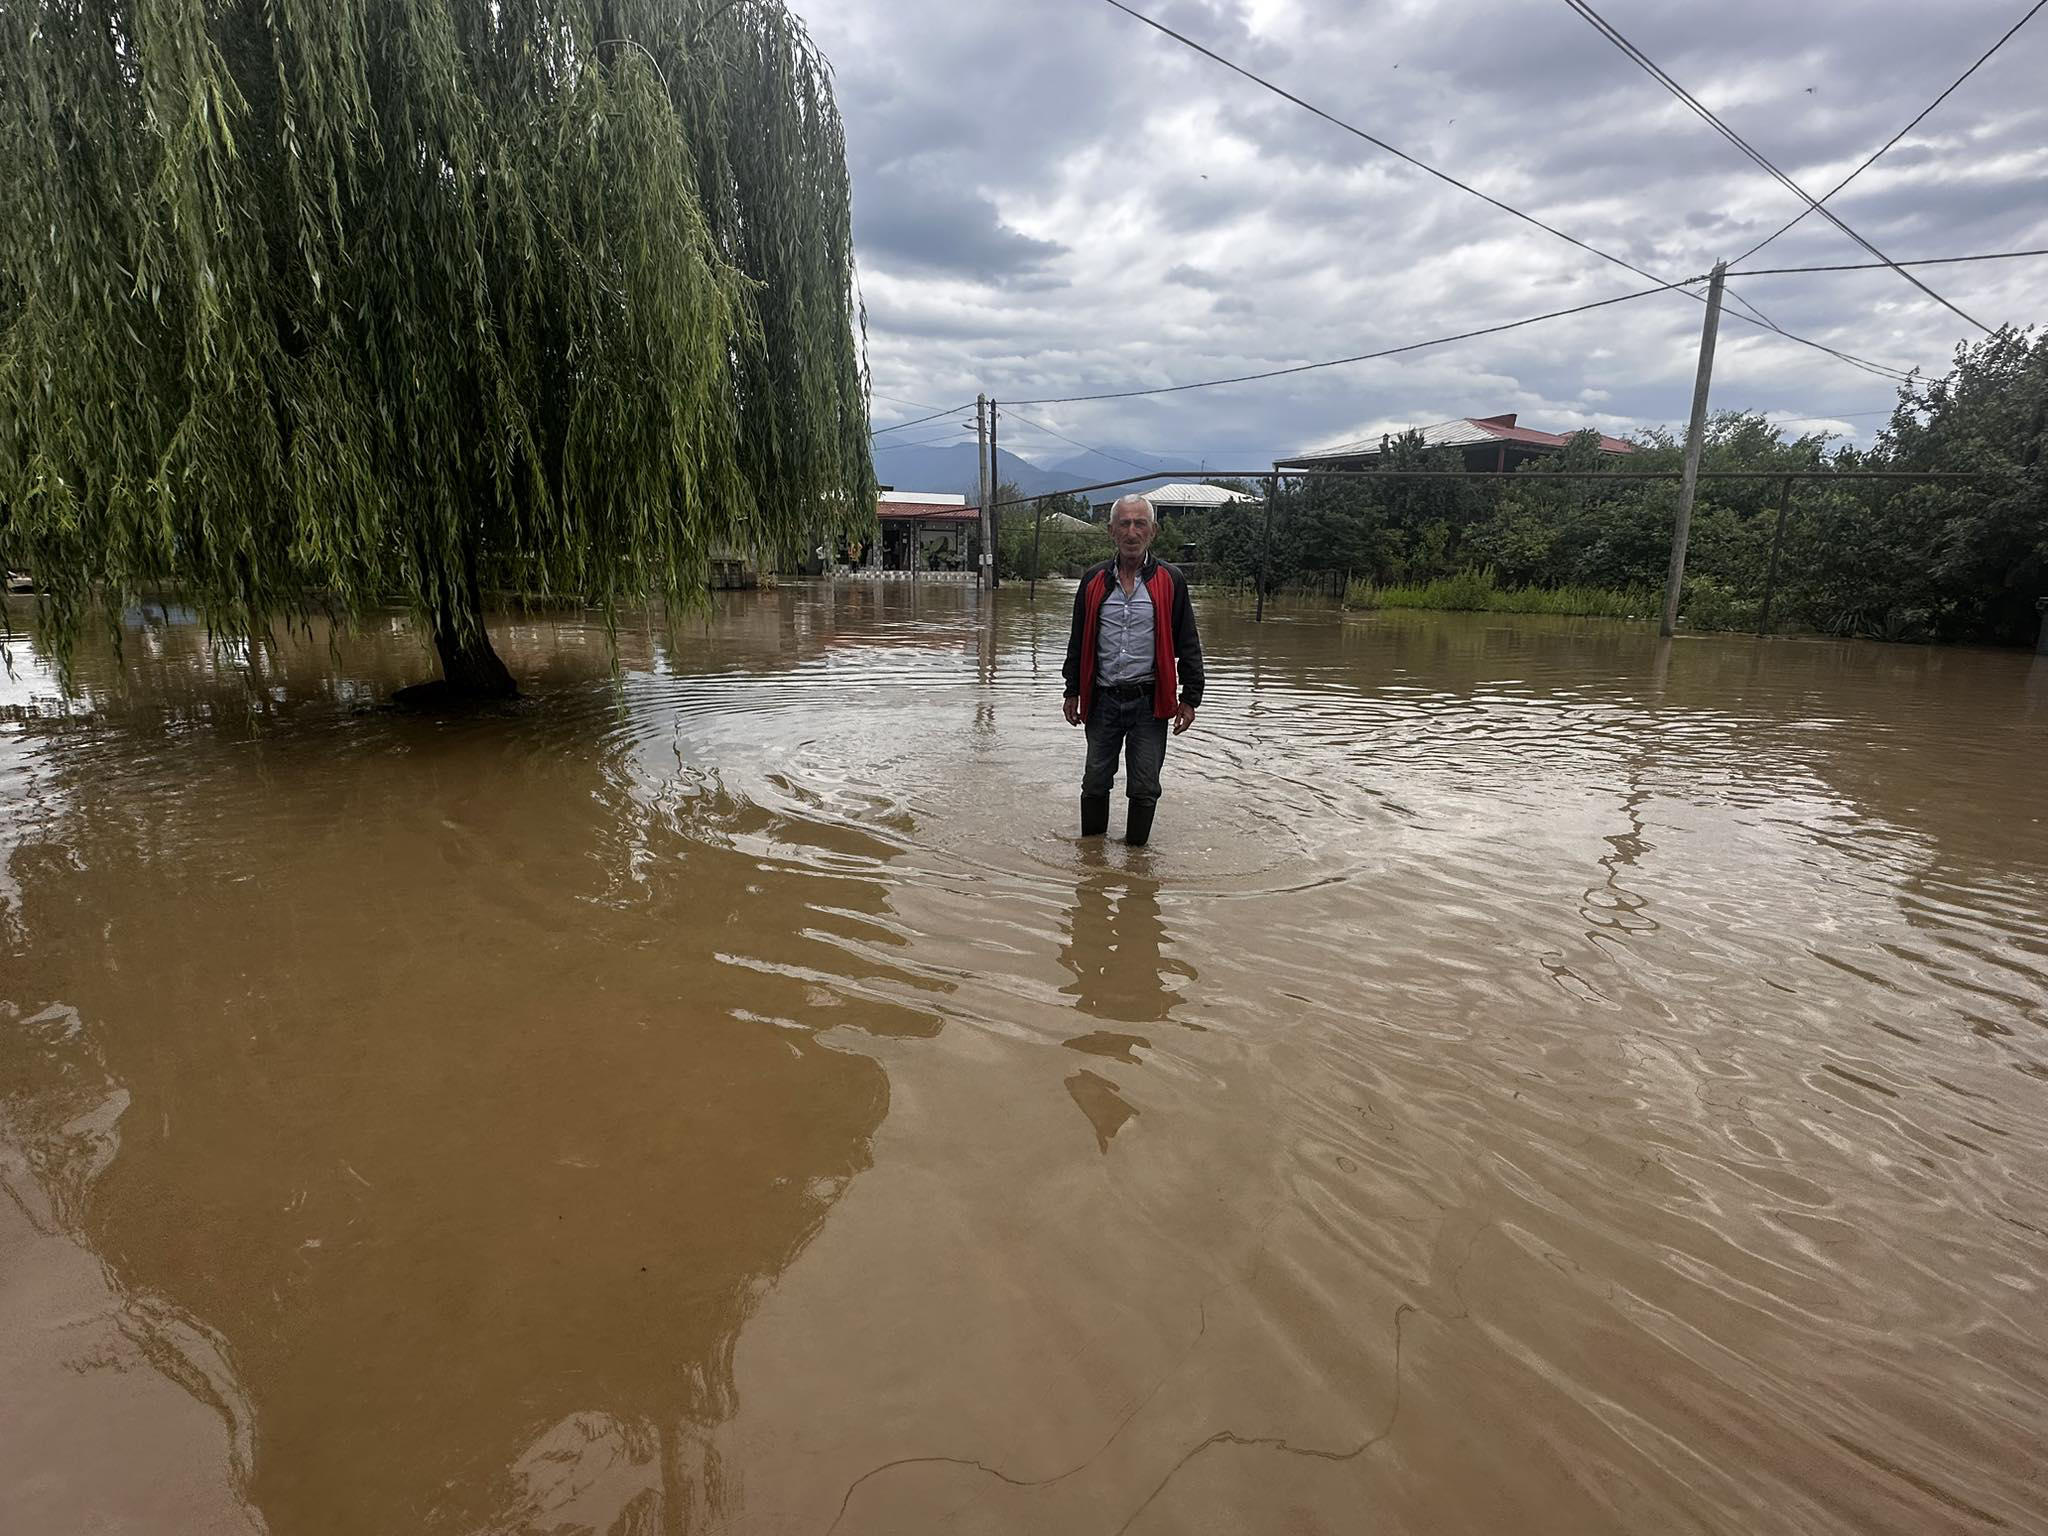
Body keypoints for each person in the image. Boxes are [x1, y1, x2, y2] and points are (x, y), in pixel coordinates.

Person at [1061, 493, 1203, 846]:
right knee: (1095, 779)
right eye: (1124, 523)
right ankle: (1092, 859)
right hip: (1103, 700)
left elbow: (1187, 640)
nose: (1131, 531)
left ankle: (1137, 865)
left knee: (1144, 786)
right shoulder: (1094, 581)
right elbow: (1078, 639)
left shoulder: (1171, 580)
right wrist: (1071, 690)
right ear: (1111, 531)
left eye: (1139, 523)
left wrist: (1191, 697)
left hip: (1149, 703)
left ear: (1153, 531)